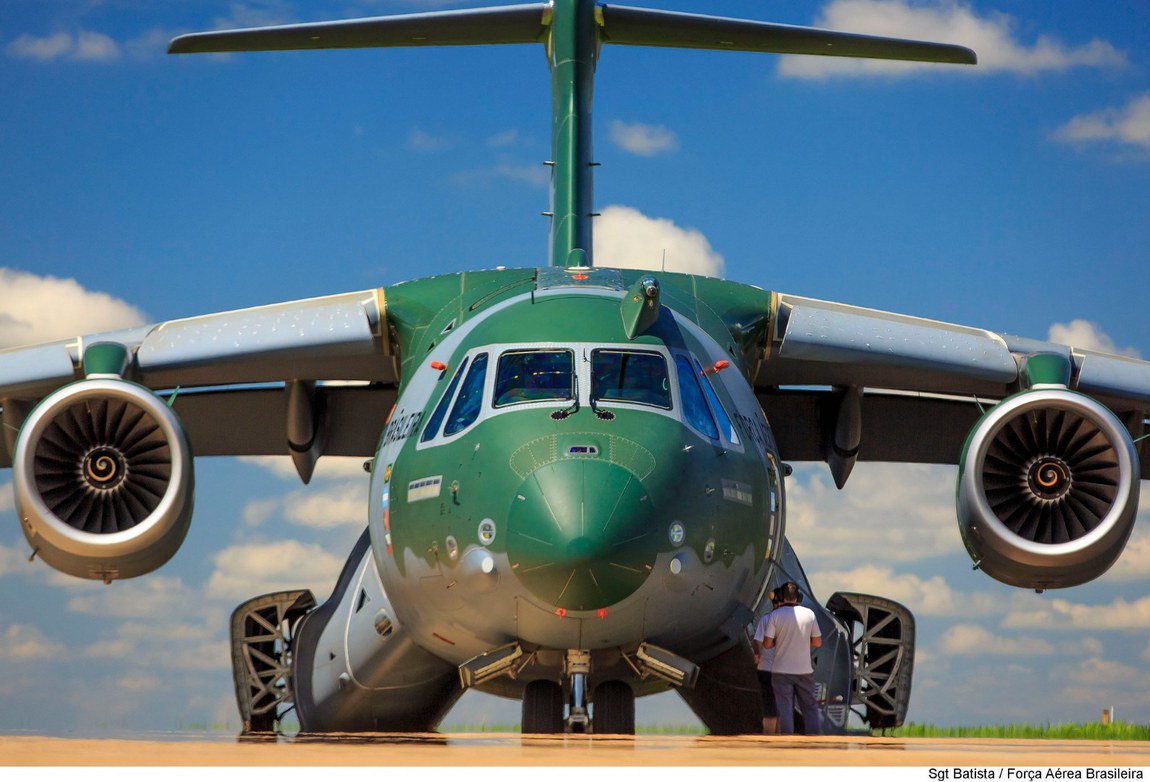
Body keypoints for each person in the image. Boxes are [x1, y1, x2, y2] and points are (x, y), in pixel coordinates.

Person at [762, 581, 822, 735]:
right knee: (809, 707)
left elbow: (767, 644)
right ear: (798, 597)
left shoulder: (775, 616)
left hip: (781, 670)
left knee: (784, 707)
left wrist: (780, 640)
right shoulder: (809, 614)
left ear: (781, 596)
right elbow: (817, 642)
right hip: (804, 670)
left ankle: (787, 741)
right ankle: (815, 739)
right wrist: (802, 641)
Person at [752, 590, 785, 734]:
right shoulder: (788, 621)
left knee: (769, 707)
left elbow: (757, 641)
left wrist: (758, 656)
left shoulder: (765, 619)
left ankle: (768, 738)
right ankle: (778, 738)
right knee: (781, 707)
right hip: (783, 670)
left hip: (765, 669)